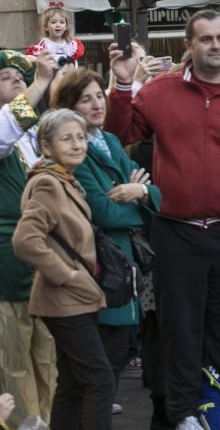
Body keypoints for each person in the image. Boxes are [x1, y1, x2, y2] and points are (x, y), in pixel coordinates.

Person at [105, 10, 220, 428]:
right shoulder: (161, 91)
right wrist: (124, 82)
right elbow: (119, 133)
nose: (216, 46)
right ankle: (184, 414)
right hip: (176, 232)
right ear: (188, 45)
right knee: (179, 331)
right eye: (206, 39)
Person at [51, 69, 162, 418]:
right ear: (69, 107)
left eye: (100, 95)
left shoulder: (111, 141)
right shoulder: (75, 149)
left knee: (92, 375)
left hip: (124, 265)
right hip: (98, 267)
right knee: (95, 376)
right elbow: (103, 212)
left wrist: (140, 191)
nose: (97, 103)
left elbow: (154, 195)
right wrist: (137, 195)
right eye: (86, 98)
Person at [12, 109, 114, 430]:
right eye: (66, 138)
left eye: (81, 137)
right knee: (100, 379)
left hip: (74, 298)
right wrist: (66, 275)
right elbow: (26, 240)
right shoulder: (47, 183)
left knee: (72, 381)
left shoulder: (65, 179)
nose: (77, 145)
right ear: (46, 146)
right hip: (64, 300)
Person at [0, 50, 58, 427]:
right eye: (7, 76)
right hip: (6, 263)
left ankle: (47, 420)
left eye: (21, 75)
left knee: (46, 354)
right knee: (14, 359)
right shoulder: (7, 127)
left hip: (42, 258)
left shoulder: (34, 133)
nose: (18, 78)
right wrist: (39, 82)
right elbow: (7, 126)